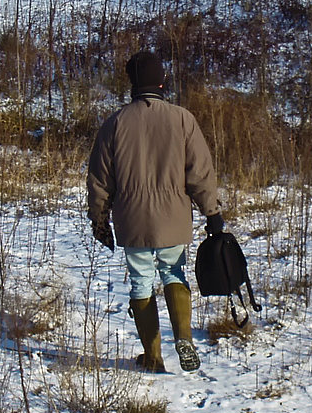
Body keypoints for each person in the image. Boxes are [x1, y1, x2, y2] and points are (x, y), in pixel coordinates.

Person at [87, 51, 224, 373]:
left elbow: (99, 179)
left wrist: (99, 220)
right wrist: (212, 213)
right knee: (174, 273)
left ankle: (152, 357)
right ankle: (184, 338)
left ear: (131, 82)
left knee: (140, 283)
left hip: (132, 218)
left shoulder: (116, 122)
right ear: (162, 81)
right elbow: (200, 172)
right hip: (173, 216)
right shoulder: (182, 118)